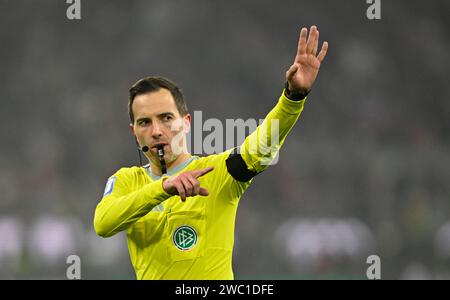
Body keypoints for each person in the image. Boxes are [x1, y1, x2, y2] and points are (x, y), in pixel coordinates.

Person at [94, 25, 328, 279]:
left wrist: (293, 98)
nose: (157, 130)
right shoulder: (128, 181)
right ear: (133, 131)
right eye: (144, 122)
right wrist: (163, 188)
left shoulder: (217, 172)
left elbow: (261, 146)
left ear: (186, 123)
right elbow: (104, 223)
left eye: (165, 118)